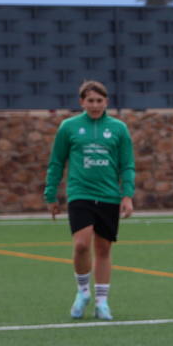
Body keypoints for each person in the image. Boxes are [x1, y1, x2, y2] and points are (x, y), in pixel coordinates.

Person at [43, 80, 135, 322]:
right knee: (81, 245)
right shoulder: (69, 127)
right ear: (82, 102)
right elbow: (56, 162)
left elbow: (127, 164)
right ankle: (83, 292)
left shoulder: (118, 129)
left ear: (106, 102)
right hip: (80, 193)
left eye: (99, 101)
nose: (95, 105)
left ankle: (102, 301)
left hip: (108, 196)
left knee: (103, 249)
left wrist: (127, 195)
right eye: (90, 101)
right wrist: (51, 195)